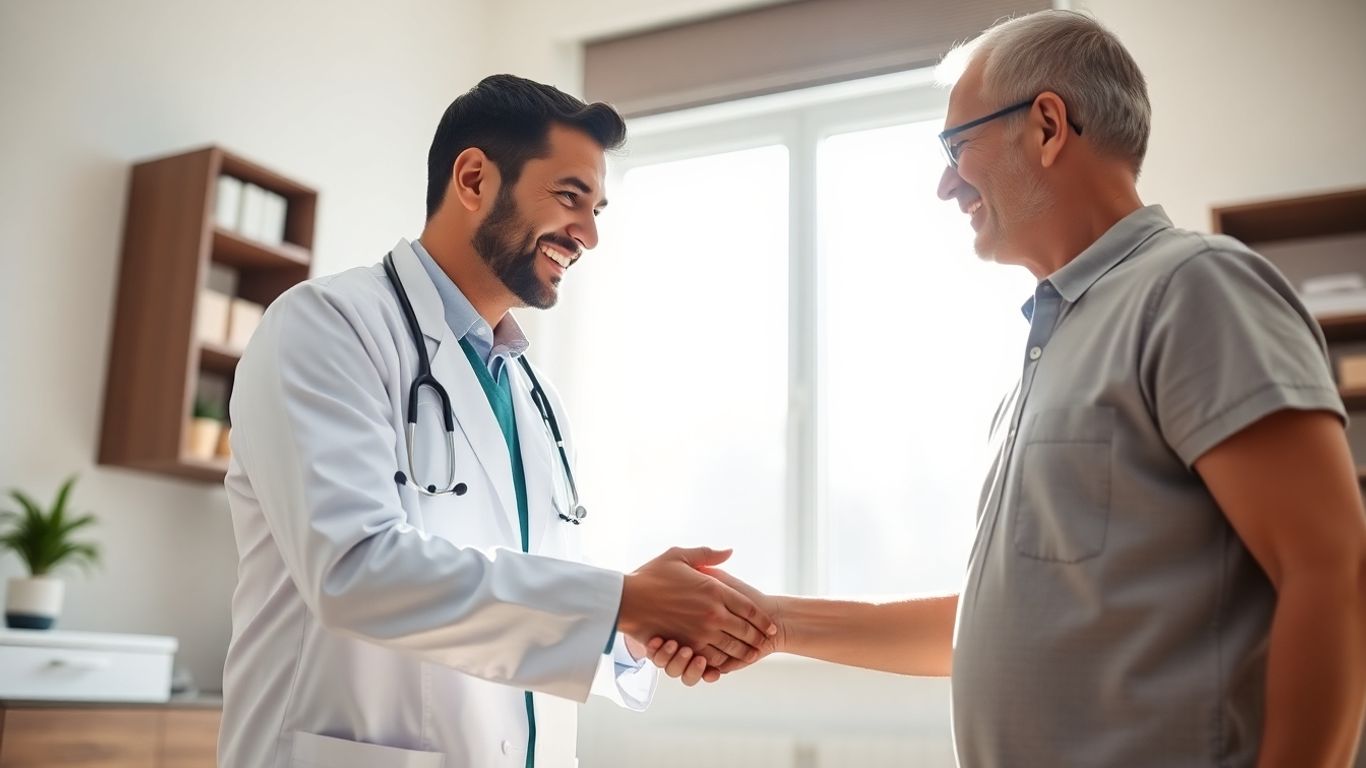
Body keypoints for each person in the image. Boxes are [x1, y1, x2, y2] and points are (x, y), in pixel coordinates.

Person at [646, 10, 1366, 766]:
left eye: (957, 147)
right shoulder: (1054, 345)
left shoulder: (1193, 288)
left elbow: (1331, 567)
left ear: (1048, 126)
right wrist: (776, 622)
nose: (944, 184)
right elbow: (1000, 625)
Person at [218, 74, 776, 768]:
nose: (590, 234)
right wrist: (621, 601)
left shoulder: (534, 393)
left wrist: (630, 635)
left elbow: (531, 609)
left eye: (598, 208)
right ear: (475, 178)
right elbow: (355, 572)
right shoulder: (326, 326)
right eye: (571, 197)